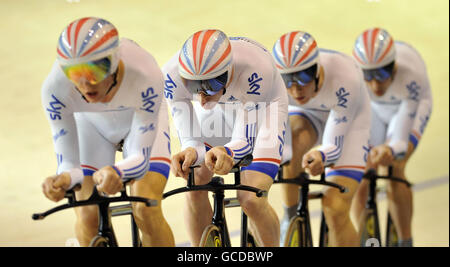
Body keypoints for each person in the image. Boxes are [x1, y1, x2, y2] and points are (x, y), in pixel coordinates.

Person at [40, 17, 174, 246]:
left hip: (138, 120)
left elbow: (140, 160)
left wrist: (118, 171)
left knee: (145, 208)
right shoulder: (55, 87)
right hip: (92, 125)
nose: (85, 84)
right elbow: (69, 165)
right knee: (87, 215)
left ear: (112, 63)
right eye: (74, 73)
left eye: (93, 71)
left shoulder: (145, 73)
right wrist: (63, 179)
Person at [163, 30, 289, 246]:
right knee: (195, 185)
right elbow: (192, 142)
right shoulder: (171, 75)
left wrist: (227, 151)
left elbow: (245, 142)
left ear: (228, 73)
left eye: (210, 86)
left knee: (251, 199)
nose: (201, 99)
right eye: (193, 88)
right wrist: (191, 152)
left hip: (266, 108)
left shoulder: (256, 69)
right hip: (218, 110)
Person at [272, 31, 371, 246]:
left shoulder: (344, 76)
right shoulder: (272, 83)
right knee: (292, 144)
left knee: (334, 207)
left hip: (351, 121)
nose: (296, 89)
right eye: (287, 80)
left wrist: (321, 154)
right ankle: (290, 221)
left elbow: (334, 145)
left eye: (303, 78)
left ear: (317, 70)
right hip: (309, 115)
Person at [351, 28, 432, 247]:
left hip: (406, 107)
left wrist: (390, 149)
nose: (376, 85)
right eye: (368, 75)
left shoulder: (411, 74)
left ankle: (406, 241)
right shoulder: (352, 76)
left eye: (382, 74)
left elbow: (400, 138)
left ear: (394, 65)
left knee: (396, 165)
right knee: (362, 170)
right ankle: (365, 240)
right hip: (375, 109)